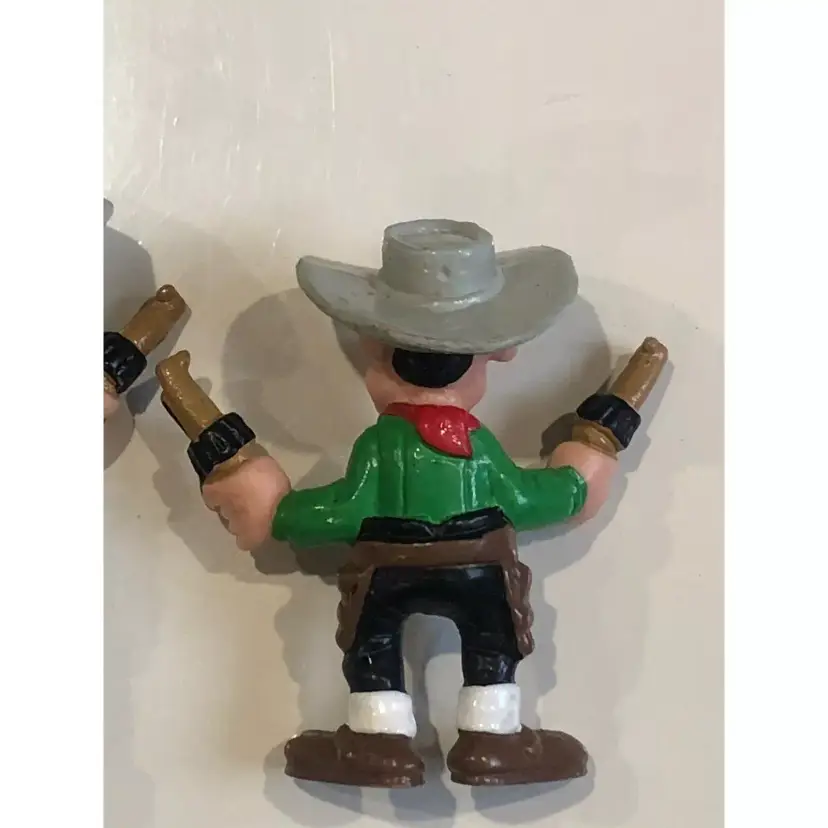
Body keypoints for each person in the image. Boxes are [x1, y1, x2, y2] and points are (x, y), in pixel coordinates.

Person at [167, 219, 664, 787]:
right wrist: (583, 468)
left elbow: (344, 509)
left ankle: (377, 742)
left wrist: (279, 509)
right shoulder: (478, 447)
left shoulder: (381, 444)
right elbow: (527, 498)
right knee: (493, 641)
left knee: (372, 644)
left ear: (373, 350)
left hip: (387, 569)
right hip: (479, 566)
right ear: (496, 355)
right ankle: (493, 737)